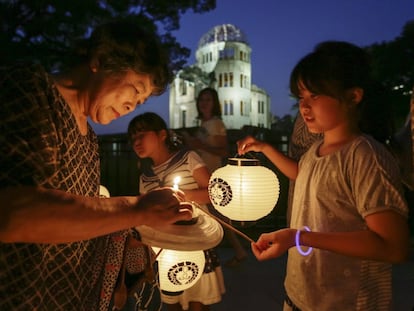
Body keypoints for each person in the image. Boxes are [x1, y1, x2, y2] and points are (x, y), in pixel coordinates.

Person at [0, 19, 193, 311]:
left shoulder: (89, 139)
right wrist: (136, 208)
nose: (132, 106)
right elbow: (14, 213)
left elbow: (81, 215)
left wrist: (138, 230)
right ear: (100, 60)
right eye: (134, 90)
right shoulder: (30, 89)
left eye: (140, 102)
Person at [237, 41, 410, 311]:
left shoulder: (365, 156)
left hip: (348, 301)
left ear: (353, 97)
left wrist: (299, 238)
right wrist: (266, 149)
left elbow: (392, 246)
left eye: (315, 96)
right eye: (300, 98)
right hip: (302, 296)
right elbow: (307, 176)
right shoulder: (316, 150)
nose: (304, 107)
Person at [128, 112, 225, 311]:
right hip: (165, 247)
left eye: (141, 134)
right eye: (133, 138)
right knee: (171, 302)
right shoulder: (145, 177)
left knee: (198, 301)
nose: (136, 141)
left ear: (162, 134)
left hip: (195, 241)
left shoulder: (187, 158)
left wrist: (180, 196)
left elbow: (213, 193)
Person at [183, 87, 248, 267]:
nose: (204, 103)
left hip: (210, 173)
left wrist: (199, 145)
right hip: (202, 173)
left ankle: (210, 255)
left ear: (215, 104)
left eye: (208, 100)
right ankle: (238, 251)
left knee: (213, 215)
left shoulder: (216, 123)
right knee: (218, 216)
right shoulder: (205, 123)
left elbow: (223, 151)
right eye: (202, 99)